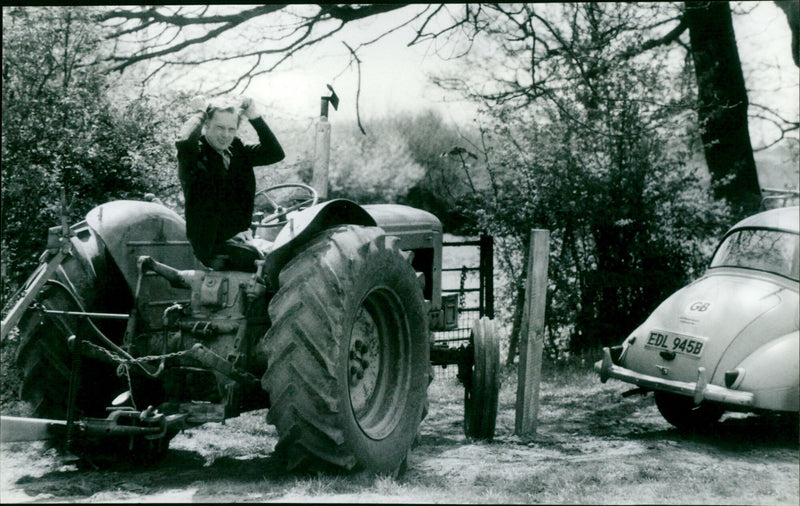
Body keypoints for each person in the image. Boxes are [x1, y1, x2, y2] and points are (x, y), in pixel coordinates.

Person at [176, 96, 285, 271]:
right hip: (212, 246)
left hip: (242, 240)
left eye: (231, 129)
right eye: (220, 127)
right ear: (206, 125)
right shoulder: (194, 154)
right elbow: (184, 140)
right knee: (277, 263)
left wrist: (254, 117)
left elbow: (275, 153)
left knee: (290, 251)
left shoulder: (238, 150)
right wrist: (200, 112)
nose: (225, 135)